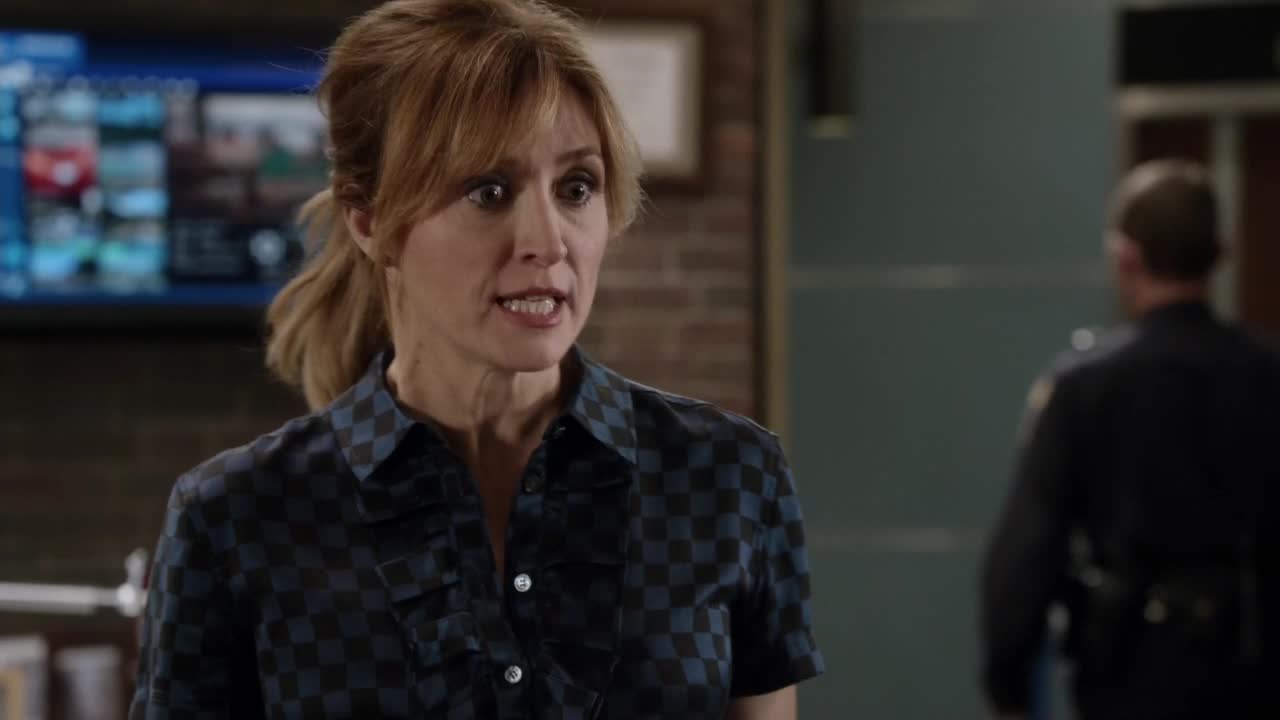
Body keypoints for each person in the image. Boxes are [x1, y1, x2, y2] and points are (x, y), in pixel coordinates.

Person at [128, 0, 823, 717]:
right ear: (370, 219)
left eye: (576, 188)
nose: (548, 242)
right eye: (489, 191)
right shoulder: (232, 520)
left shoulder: (730, 477)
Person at [980, 159, 1280, 720]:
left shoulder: (1082, 386)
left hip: (1126, 676)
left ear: (1124, 256)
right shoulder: (1269, 375)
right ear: (1223, 252)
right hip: (1253, 674)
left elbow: (1028, 548)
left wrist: (1008, 685)